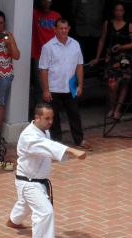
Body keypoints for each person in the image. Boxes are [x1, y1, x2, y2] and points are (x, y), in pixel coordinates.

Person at [6, 103, 87, 238]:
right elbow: (48, 146)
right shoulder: (29, 136)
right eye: (47, 118)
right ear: (37, 118)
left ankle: (12, 221)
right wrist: (71, 151)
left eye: (52, 118)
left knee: (25, 204)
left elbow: (48, 149)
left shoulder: (44, 131)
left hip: (36, 181)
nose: (50, 122)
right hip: (28, 182)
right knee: (45, 212)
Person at [39, 19, 91, 149]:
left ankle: (79, 140)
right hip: (54, 87)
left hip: (71, 87)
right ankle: (56, 141)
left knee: (74, 114)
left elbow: (79, 66)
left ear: (69, 29)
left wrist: (80, 85)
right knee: (53, 117)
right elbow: (43, 69)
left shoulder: (75, 44)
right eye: (61, 28)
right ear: (55, 29)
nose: (63, 31)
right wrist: (46, 90)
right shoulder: (48, 47)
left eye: (66, 28)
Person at [89, 2, 132, 122]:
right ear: (114, 11)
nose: (119, 13)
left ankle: (117, 109)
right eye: (117, 10)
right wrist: (97, 57)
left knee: (123, 84)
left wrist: (122, 47)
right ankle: (112, 106)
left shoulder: (129, 25)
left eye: (121, 10)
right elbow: (102, 40)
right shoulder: (108, 23)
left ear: (124, 12)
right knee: (112, 85)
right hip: (111, 58)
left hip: (124, 58)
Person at [30, 0, 61, 116]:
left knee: (54, 86)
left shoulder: (56, 16)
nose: (45, 2)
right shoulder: (34, 14)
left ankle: (52, 114)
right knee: (40, 86)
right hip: (38, 54)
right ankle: (40, 115)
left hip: (55, 56)